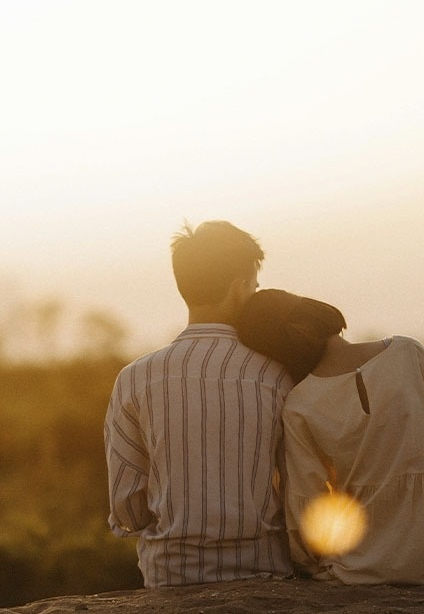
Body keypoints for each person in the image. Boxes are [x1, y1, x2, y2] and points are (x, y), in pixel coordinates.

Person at [236, 289, 424, 590]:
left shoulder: (299, 406)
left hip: (358, 571)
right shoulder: (408, 354)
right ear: (314, 310)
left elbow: (308, 506)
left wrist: (311, 563)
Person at [104, 221, 294, 587]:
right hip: (265, 573)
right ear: (240, 288)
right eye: (254, 286)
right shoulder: (277, 376)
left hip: (171, 576)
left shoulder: (135, 378)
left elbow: (126, 506)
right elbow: (299, 488)